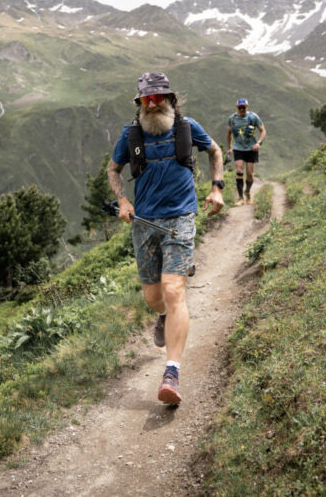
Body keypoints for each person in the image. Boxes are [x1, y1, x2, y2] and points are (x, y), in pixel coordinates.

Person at [108, 71, 224, 405]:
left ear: (170, 99)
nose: (153, 104)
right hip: (144, 223)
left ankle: (171, 373)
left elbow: (215, 151)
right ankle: (163, 316)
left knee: (174, 290)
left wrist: (217, 188)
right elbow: (113, 169)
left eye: (159, 98)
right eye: (147, 99)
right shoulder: (130, 135)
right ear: (139, 104)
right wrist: (123, 201)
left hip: (181, 218)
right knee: (154, 298)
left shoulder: (188, 128)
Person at [226, 98, 267, 205]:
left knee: (249, 174)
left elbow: (263, 131)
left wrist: (258, 143)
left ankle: (247, 192)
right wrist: (229, 147)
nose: (242, 109)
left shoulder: (253, 117)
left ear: (247, 107)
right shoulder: (232, 119)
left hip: (251, 149)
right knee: (239, 171)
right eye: (240, 107)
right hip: (238, 148)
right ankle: (240, 198)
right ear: (237, 107)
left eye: (243, 107)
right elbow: (229, 133)